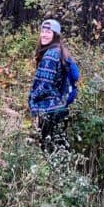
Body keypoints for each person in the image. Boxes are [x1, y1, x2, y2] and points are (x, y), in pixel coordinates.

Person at [28, 18, 72, 152]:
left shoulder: (51, 55)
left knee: (47, 150)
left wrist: (32, 99)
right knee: (58, 150)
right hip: (59, 107)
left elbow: (44, 84)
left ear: (55, 35)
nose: (44, 34)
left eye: (48, 32)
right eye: (43, 31)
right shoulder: (60, 51)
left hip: (49, 110)